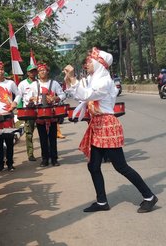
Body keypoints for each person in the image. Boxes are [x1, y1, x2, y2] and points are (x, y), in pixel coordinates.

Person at [63, 47, 158, 213]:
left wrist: (73, 79)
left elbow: (86, 96)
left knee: (121, 166)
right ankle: (101, 202)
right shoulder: (94, 79)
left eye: (89, 61)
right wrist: (70, 80)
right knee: (93, 166)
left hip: (106, 125)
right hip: (97, 125)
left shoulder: (104, 81)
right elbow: (80, 96)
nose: (87, 64)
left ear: (99, 63)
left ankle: (149, 196)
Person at [25, 63, 65, 167]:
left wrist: (55, 98)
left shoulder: (54, 83)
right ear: (37, 73)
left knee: (52, 137)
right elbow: (26, 97)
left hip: (51, 113)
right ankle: (45, 159)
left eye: (44, 70)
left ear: (47, 72)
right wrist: (32, 98)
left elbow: (62, 94)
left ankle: (54, 159)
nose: (42, 72)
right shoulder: (34, 85)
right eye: (40, 71)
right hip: (40, 114)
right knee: (42, 138)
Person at [16, 63, 38, 162]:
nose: (33, 73)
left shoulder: (39, 83)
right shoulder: (22, 84)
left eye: (34, 71)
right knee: (29, 133)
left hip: (39, 109)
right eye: (31, 71)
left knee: (44, 132)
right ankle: (30, 154)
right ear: (28, 73)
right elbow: (19, 97)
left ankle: (46, 153)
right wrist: (20, 110)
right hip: (28, 111)